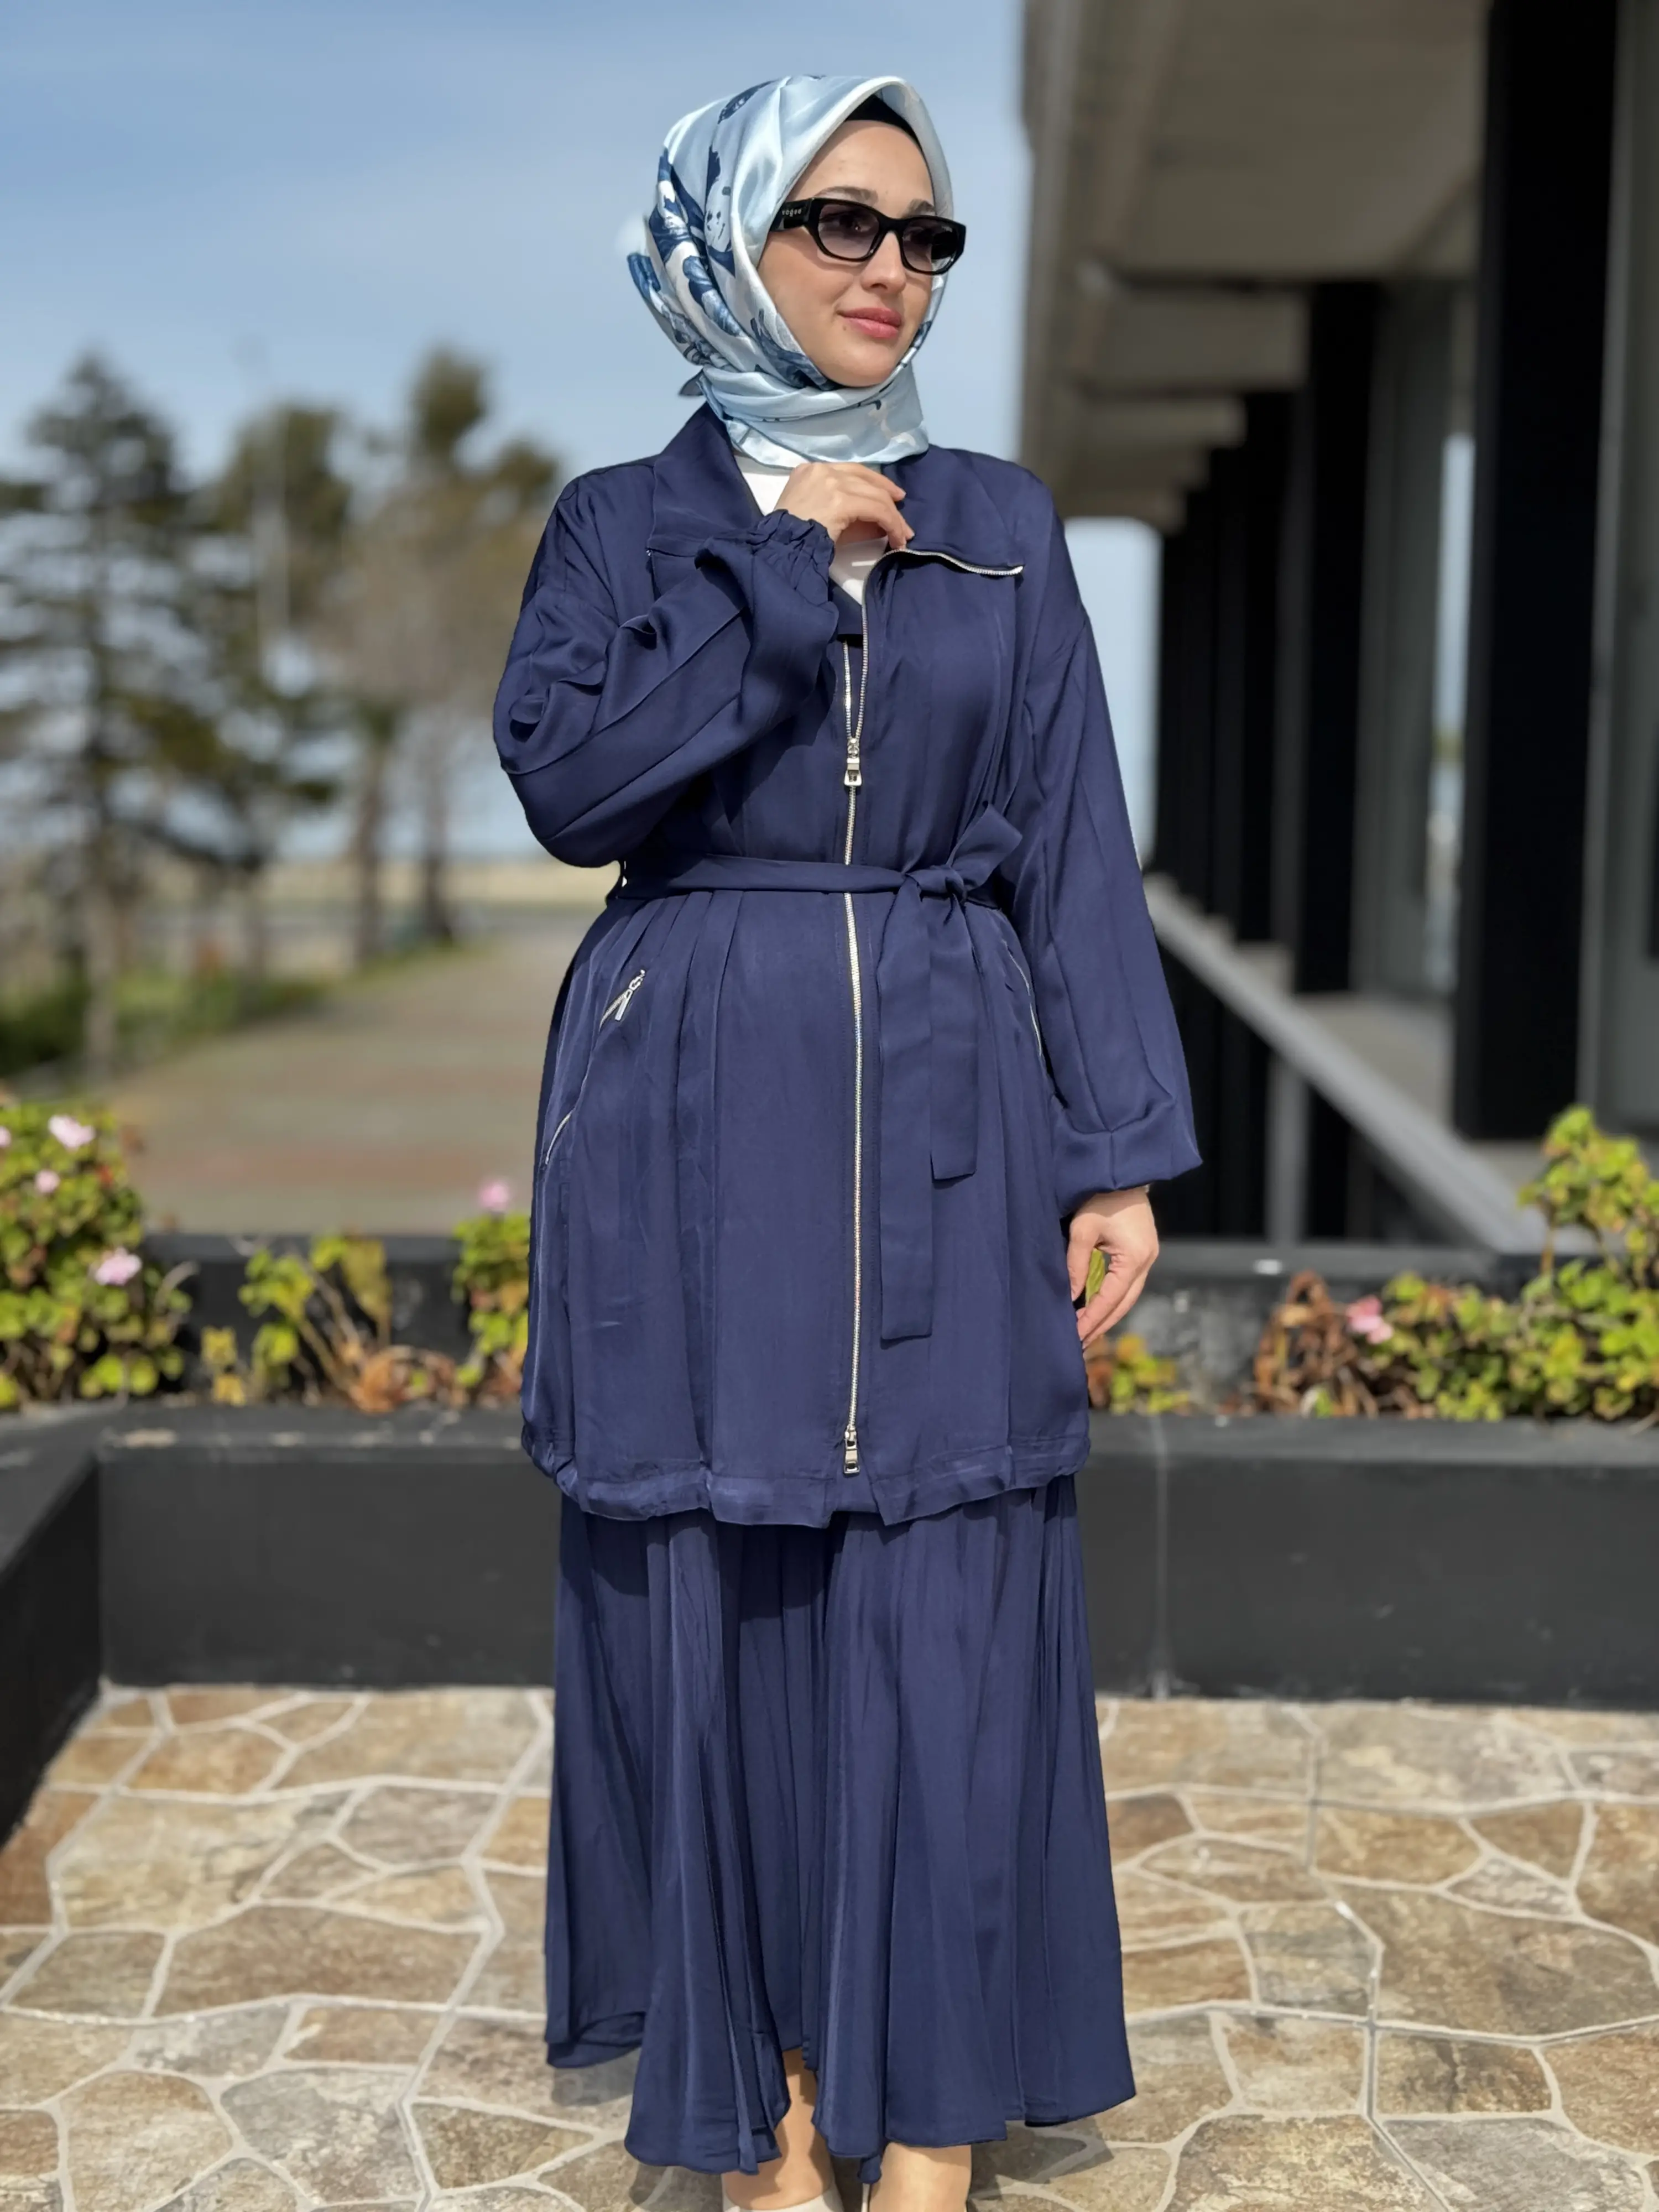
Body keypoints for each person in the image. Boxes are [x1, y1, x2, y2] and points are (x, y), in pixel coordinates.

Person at [492, 73, 1200, 2212]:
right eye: (838, 222)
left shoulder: (1004, 517)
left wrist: (1117, 1147)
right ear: (730, 243)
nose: (892, 267)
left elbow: (1073, 842)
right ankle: (778, 2115)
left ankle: (940, 2130)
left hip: (961, 1102)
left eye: (925, 234)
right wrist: (786, 566)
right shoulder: (623, 526)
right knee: (729, 1589)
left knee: (952, 1596)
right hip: (693, 1117)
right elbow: (577, 785)